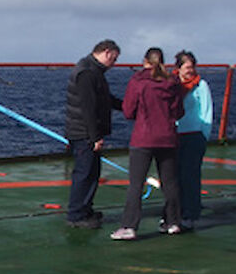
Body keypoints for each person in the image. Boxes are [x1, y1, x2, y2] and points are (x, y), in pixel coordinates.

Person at [111, 47, 184, 241]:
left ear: (145, 61)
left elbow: (128, 110)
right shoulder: (172, 83)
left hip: (143, 138)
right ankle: (173, 221)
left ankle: (129, 226)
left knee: (136, 184)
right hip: (168, 137)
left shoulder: (138, 82)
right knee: (170, 182)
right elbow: (179, 111)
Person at [64, 39, 124, 229]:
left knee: (92, 172)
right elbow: (88, 108)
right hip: (83, 133)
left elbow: (105, 99)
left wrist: (128, 107)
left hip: (84, 131)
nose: (114, 65)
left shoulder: (93, 70)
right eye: (114, 60)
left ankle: (85, 209)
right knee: (84, 173)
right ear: (107, 52)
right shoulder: (87, 73)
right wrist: (94, 137)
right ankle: (76, 215)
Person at [174, 50, 213, 230]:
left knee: (190, 176)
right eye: (187, 67)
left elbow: (207, 111)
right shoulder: (171, 84)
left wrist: (204, 136)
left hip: (193, 136)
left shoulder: (201, 86)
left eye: (192, 67)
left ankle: (190, 213)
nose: (190, 71)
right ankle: (174, 213)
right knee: (173, 177)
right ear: (179, 68)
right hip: (174, 135)